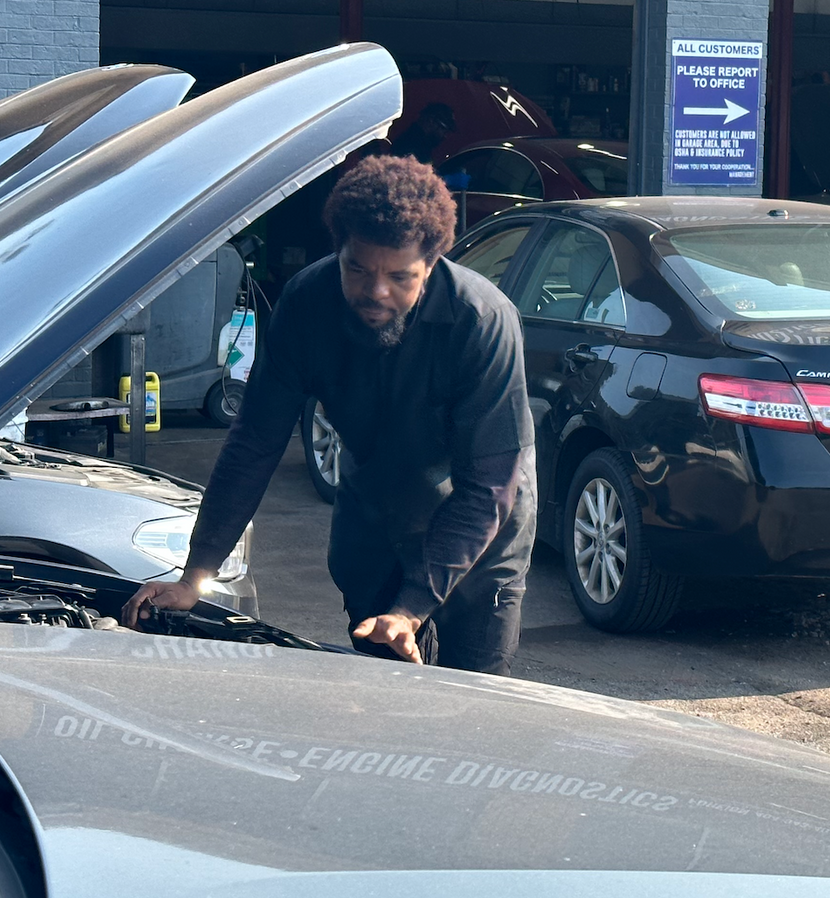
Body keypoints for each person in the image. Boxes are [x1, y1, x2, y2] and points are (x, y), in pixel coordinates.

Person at [123, 157, 535, 673]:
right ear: (338, 251)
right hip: (377, 512)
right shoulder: (306, 304)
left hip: (479, 524)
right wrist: (194, 575)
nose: (375, 291)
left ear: (432, 264)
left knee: (475, 699)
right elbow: (254, 442)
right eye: (357, 268)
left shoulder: (483, 322)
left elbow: (487, 487)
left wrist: (410, 610)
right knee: (376, 679)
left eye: (399, 276)